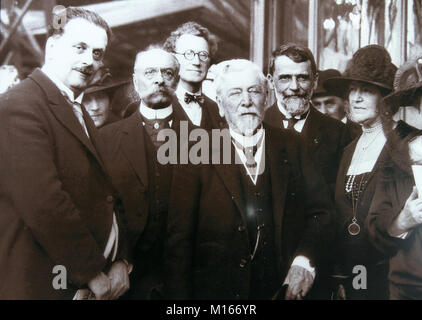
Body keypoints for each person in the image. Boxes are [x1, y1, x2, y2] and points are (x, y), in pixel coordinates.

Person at [164, 59, 334, 300]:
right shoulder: (198, 150)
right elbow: (178, 243)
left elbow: (322, 213)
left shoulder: (293, 145)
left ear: (266, 98)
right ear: (220, 106)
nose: (246, 101)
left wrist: (303, 262)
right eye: (235, 93)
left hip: (282, 291)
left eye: (254, 91)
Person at [0, 7, 130, 299]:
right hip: (41, 285)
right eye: (80, 48)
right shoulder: (18, 106)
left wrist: (122, 258)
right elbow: (44, 202)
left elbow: (107, 190)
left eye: (97, 53)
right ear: (53, 47)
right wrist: (92, 273)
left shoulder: (77, 109)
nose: (89, 61)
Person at [100, 48, 187, 299]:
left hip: (184, 279)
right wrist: (119, 260)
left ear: (177, 81)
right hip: (127, 276)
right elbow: (102, 207)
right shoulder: (107, 139)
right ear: (136, 82)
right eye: (150, 72)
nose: (159, 79)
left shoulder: (202, 138)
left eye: (167, 72)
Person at [323, 45, 398, 299]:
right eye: (352, 90)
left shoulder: (400, 146)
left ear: (384, 97)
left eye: (366, 90)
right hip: (352, 273)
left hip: (389, 275)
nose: (355, 98)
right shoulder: (348, 150)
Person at [265, 43, 352, 199]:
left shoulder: (340, 134)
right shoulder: (255, 127)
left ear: (315, 81)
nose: (294, 87)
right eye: (285, 78)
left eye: (302, 78)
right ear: (271, 81)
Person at [367, 55, 422, 300]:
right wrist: (402, 221)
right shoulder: (397, 154)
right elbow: (374, 223)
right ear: (417, 105)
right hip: (408, 289)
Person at [164, 21, 223, 129]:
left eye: (203, 55)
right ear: (173, 59)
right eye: (188, 54)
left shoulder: (217, 110)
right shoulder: (159, 104)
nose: (196, 62)